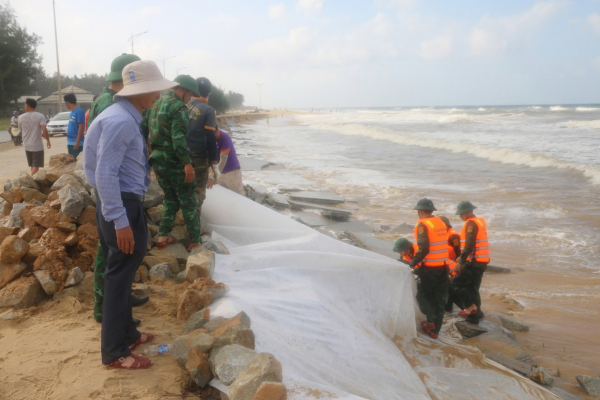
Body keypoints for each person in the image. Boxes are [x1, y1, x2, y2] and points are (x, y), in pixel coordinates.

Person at [83, 60, 176, 369]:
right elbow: (105, 173)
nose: (158, 97)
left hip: (120, 202)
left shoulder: (121, 115)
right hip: (122, 205)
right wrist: (120, 220)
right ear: (142, 91)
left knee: (121, 274)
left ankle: (128, 334)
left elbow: (102, 168)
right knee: (119, 279)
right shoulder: (121, 121)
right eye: (155, 90)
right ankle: (115, 352)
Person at [87, 53, 145, 325]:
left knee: (116, 260)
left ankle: (117, 306)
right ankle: (106, 307)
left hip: (111, 192)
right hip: (115, 194)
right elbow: (106, 166)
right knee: (113, 260)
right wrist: (118, 213)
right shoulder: (117, 111)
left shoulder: (106, 103)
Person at [143, 74, 202, 251]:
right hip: (175, 162)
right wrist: (187, 163)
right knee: (189, 200)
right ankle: (195, 241)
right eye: (190, 94)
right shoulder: (178, 107)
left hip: (158, 161)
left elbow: (144, 131)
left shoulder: (154, 103)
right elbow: (178, 139)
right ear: (182, 90)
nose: (190, 99)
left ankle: (163, 235)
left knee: (170, 198)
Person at [408, 198, 449, 339]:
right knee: (439, 299)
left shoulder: (422, 225)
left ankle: (430, 320)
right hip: (444, 267)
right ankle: (435, 331)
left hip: (431, 268)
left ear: (420, 211)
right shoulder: (440, 222)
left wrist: (413, 262)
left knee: (422, 296)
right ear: (432, 211)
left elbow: (424, 248)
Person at [450, 201, 490, 325]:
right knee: (473, 289)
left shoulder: (471, 224)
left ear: (468, 212)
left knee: (455, 282)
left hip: (474, 262)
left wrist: (461, 261)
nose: (460, 216)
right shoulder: (479, 221)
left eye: (461, 214)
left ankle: (470, 307)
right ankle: (475, 317)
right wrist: (461, 257)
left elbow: (469, 245)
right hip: (482, 260)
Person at [186, 77, 218, 217]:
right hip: (198, 157)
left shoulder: (184, 106)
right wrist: (214, 160)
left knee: (184, 190)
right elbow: (210, 136)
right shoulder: (208, 110)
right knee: (198, 193)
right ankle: (194, 230)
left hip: (181, 156)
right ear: (209, 93)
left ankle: (182, 221)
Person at [17, 98, 51, 175]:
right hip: (37, 145)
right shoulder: (40, 116)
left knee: (32, 165)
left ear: (27, 106)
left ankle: (33, 181)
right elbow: (44, 130)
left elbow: (21, 129)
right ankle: (31, 181)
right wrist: (48, 141)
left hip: (27, 145)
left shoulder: (21, 117)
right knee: (36, 166)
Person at [440, 216, 463, 312]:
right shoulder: (442, 234)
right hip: (445, 266)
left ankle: (466, 308)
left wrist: (458, 265)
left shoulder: (453, 236)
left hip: (453, 266)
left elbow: (459, 253)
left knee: (451, 289)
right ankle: (448, 308)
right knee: (448, 289)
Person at [215, 127, 244, 195]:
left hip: (232, 171)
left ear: (216, 131)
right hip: (217, 169)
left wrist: (214, 175)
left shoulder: (224, 137)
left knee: (238, 195)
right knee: (213, 191)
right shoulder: (206, 137)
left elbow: (223, 160)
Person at [64, 93, 85, 158]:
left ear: (67, 103)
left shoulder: (79, 111)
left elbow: (81, 127)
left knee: (75, 163)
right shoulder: (72, 112)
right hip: (70, 142)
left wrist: (77, 142)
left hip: (76, 143)